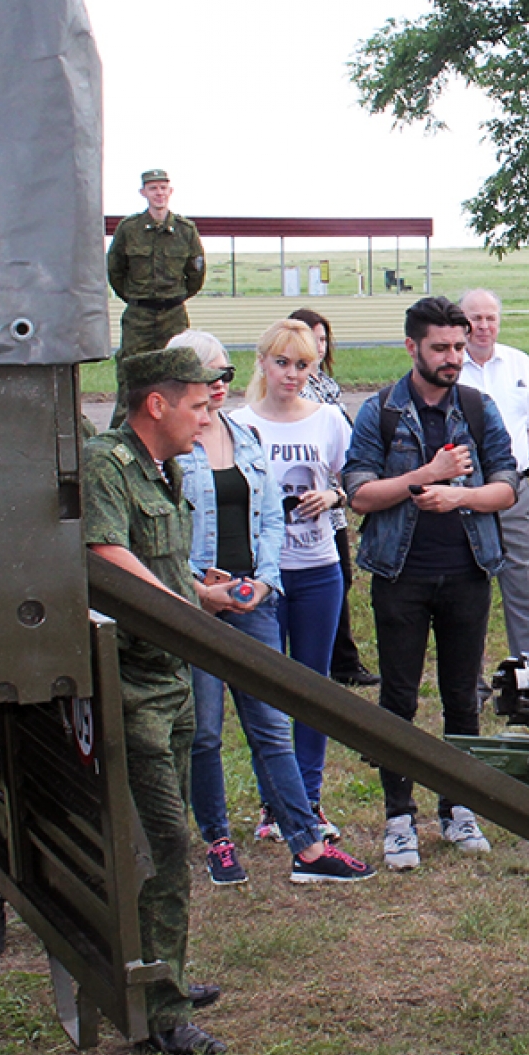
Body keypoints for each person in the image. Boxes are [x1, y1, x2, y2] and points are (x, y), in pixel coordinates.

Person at [167, 330, 373, 884]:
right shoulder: (165, 447)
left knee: (271, 724)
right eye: (206, 376)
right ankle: (218, 841)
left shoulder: (244, 433)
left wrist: (264, 580)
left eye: (223, 377)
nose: (217, 387)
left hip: (252, 598)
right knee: (205, 731)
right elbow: (155, 535)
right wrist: (196, 589)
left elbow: (269, 520)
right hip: (196, 606)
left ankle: (306, 845)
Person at [83, 347, 229, 1055]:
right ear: (157, 404)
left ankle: (160, 972)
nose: (208, 418)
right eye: (200, 405)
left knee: (165, 844)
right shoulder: (107, 464)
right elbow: (106, 552)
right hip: (133, 686)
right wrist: (184, 611)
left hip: (170, 679)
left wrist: (202, 594)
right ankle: (160, 1011)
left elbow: (155, 558)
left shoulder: (162, 469)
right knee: (164, 843)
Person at [343, 297, 519, 870]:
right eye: (441, 347)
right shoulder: (382, 411)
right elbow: (361, 493)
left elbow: (507, 487)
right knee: (398, 699)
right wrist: (427, 476)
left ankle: (458, 808)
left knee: (462, 697)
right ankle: (400, 817)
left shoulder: (477, 406)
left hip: (467, 571)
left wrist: (460, 495)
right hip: (401, 576)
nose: (453, 358)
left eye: (459, 347)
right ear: (411, 346)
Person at [233, 321, 356, 845]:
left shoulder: (328, 419)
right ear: (262, 363)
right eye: (282, 362)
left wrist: (332, 498)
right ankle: (273, 804)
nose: (291, 374)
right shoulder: (237, 422)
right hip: (264, 576)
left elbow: (355, 479)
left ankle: (309, 798)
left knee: (312, 687)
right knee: (266, 691)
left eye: (302, 365)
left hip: (318, 569)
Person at [288, 308, 379, 691]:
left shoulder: (327, 386)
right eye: (312, 340)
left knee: (339, 582)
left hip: (334, 504)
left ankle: (341, 660)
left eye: (324, 340)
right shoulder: (300, 389)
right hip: (305, 505)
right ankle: (330, 662)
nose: (320, 348)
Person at [458, 288, 529, 659]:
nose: (482, 326)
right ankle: (469, 683)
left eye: (489, 318)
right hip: (462, 491)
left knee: (522, 585)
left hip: (514, 490)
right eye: (474, 318)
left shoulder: (519, 364)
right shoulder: (449, 369)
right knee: (465, 592)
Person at [106, 169, 206, 427]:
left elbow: (195, 274)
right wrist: (137, 298)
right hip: (139, 317)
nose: (159, 193)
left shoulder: (185, 230)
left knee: (178, 376)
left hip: (173, 314)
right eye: (153, 188)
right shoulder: (129, 229)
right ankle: (122, 436)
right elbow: (116, 271)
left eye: (163, 188)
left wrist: (174, 298)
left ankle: (179, 432)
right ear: (144, 193)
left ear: (170, 192)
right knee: (131, 376)